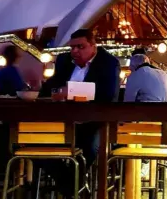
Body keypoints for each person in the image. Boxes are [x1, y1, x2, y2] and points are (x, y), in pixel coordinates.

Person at [39, 28, 120, 166]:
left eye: (80, 47)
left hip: (95, 122)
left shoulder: (108, 63)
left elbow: (107, 93)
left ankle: (75, 180)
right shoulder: (64, 60)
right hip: (64, 120)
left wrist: (71, 91)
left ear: (93, 46)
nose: (75, 51)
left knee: (89, 147)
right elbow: (50, 86)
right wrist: (53, 91)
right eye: (72, 47)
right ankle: (70, 182)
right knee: (36, 143)